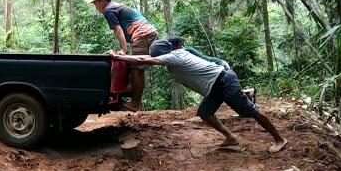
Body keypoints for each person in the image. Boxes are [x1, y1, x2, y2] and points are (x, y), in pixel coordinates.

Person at [108, 40, 287, 153]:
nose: (156, 60)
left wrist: (117, 57)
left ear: (162, 54)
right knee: (205, 112)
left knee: (248, 110)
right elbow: (146, 57)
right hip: (215, 86)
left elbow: (143, 60)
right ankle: (230, 138)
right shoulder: (174, 55)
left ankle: (279, 139)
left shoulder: (174, 57)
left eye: (156, 57)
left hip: (223, 80)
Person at [89, 0, 158, 112]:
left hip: (142, 35)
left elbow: (118, 29)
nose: (95, 7)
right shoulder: (115, 7)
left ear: (102, 1)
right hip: (148, 33)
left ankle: (134, 104)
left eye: (95, 3)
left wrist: (124, 50)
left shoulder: (108, 10)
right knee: (135, 67)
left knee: (137, 69)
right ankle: (132, 97)